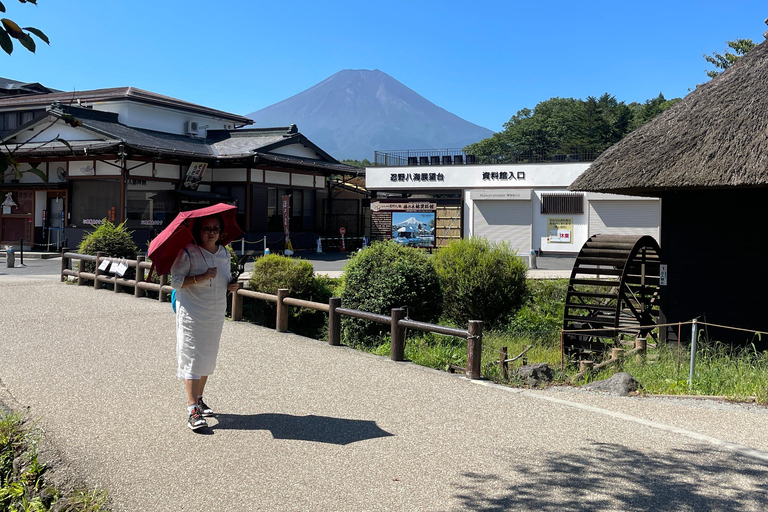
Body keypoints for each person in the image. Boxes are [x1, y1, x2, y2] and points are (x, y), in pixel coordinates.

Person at [171, 214, 239, 430]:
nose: (212, 232)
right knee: (192, 355)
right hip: (192, 312)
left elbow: (223, 280)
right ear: (198, 231)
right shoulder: (187, 252)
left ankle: (199, 398)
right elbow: (177, 282)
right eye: (207, 228)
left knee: (208, 356)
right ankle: (192, 410)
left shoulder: (224, 253)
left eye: (216, 228)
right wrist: (202, 276)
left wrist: (232, 286)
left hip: (216, 311)